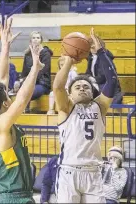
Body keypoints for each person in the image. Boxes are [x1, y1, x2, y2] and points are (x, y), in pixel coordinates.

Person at [0, 17, 44, 204]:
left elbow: (3, 76)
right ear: (5, 104)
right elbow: (23, 99)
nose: (10, 96)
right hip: (14, 198)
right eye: (8, 96)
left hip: (19, 196)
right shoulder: (0, 125)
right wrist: (35, 69)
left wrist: (5, 45)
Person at [53, 28, 119, 203]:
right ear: (70, 94)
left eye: (86, 86)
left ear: (93, 92)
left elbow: (112, 81)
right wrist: (68, 60)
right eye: (77, 87)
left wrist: (101, 52)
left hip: (93, 172)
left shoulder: (100, 106)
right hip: (69, 172)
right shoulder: (66, 107)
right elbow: (58, 87)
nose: (82, 88)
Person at [14, 31, 53, 113]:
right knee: (21, 88)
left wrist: (27, 80)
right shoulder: (28, 54)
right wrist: (20, 80)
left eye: (38, 38)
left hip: (42, 83)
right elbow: (24, 71)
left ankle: (25, 110)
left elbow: (42, 71)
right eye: (34, 38)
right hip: (28, 82)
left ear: (41, 40)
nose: (35, 40)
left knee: (27, 92)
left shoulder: (45, 53)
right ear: (30, 40)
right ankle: (23, 110)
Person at [86, 37, 123, 104]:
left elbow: (103, 76)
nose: (91, 49)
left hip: (108, 89)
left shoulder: (105, 58)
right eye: (91, 47)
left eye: (93, 47)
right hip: (98, 86)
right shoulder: (91, 57)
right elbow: (88, 72)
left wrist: (91, 79)